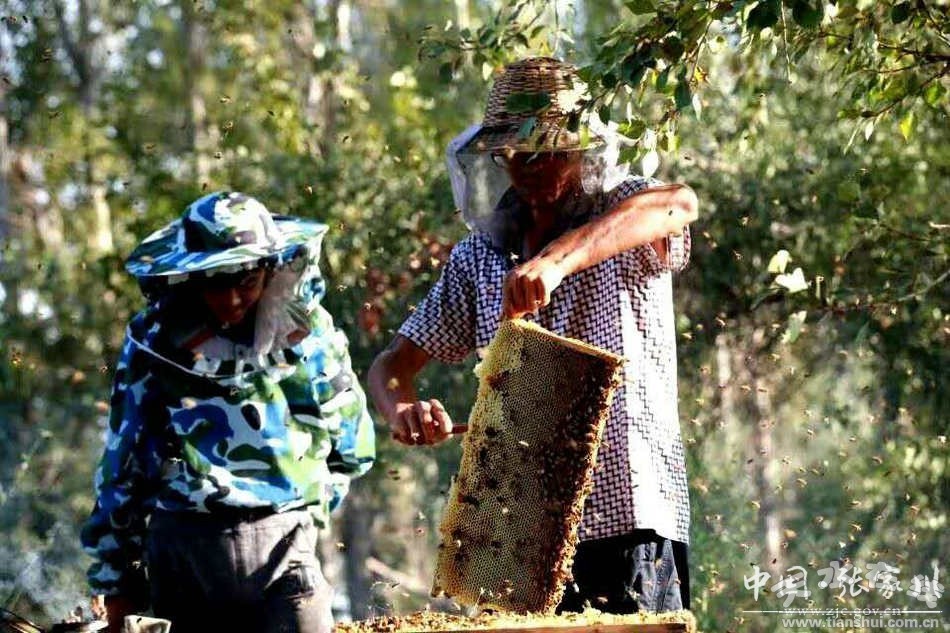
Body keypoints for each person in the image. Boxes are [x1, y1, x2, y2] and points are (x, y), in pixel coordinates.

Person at [367, 57, 697, 614]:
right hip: (514, 533)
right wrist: (403, 411)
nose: (529, 168)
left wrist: (555, 263)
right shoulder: (480, 255)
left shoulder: (623, 212)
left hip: (628, 519)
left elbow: (679, 204)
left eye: (547, 153)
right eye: (516, 154)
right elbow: (391, 368)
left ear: (582, 149)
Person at [81, 191, 376, 633]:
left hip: (286, 548)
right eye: (216, 283)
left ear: (271, 269)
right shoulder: (152, 342)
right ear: (190, 277)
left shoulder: (310, 333)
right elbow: (124, 462)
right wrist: (116, 577)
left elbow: (350, 443)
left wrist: (306, 512)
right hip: (184, 555)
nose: (233, 299)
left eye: (247, 281)